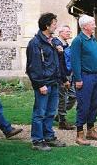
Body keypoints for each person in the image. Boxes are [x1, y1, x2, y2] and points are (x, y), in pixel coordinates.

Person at [26, 13, 67, 151]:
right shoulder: (35, 43)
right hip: (43, 84)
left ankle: (48, 137)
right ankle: (37, 140)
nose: (56, 25)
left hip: (54, 82)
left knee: (50, 112)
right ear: (46, 25)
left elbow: (56, 62)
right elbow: (33, 67)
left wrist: (62, 78)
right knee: (40, 112)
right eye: (54, 23)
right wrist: (40, 84)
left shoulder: (53, 41)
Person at [71, 14, 97, 145]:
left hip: (94, 76)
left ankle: (91, 130)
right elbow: (75, 61)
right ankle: (79, 134)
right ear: (85, 26)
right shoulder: (78, 41)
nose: (95, 25)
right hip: (84, 77)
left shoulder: (93, 40)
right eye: (92, 23)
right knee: (84, 105)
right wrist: (78, 79)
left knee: (94, 104)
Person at [52, 25, 76, 130]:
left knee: (73, 95)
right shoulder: (57, 43)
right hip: (62, 75)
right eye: (66, 31)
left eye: (69, 32)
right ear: (60, 32)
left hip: (69, 74)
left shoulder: (66, 44)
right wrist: (64, 78)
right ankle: (62, 121)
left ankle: (59, 115)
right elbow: (60, 63)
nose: (69, 33)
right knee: (62, 97)